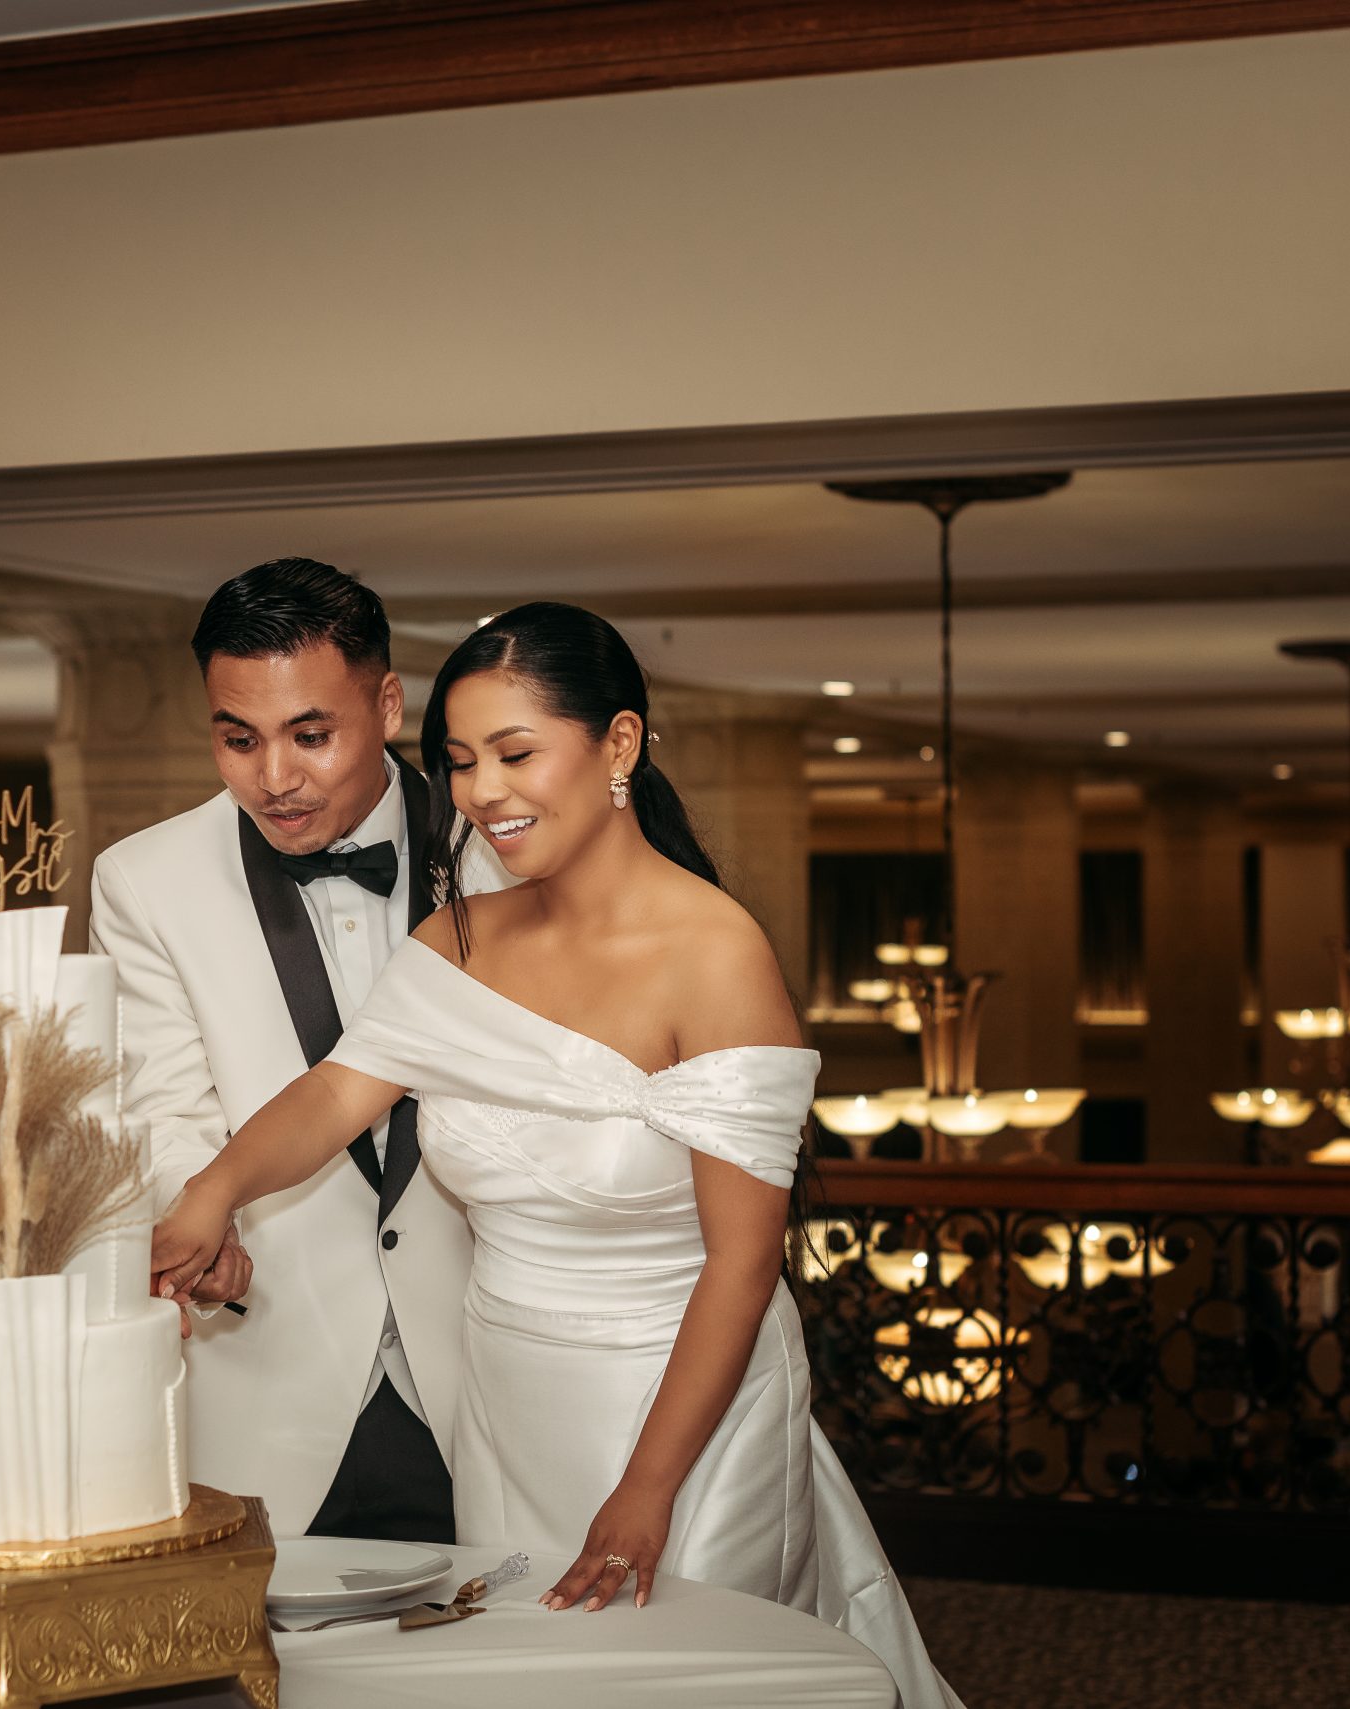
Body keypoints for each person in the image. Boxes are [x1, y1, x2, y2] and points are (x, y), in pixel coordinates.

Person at [153, 601, 964, 1709]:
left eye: (517, 752)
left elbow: (741, 1262)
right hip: (506, 1394)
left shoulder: (715, 953)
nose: (483, 791)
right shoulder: (463, 937)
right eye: (460, 759)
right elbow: (337, 1092)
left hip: (683, 1404)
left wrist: (646, 1487)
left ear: (618, 744)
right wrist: (212, 1190)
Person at [90, 557, 508, 1546]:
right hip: (266, 1374)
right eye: (238, 739)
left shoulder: (502, 849)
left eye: (310, 735)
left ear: (389, 704)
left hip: (492, 1380)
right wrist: (205, 1224)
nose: (273, 777)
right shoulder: (144, 879)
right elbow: (159, 1105)